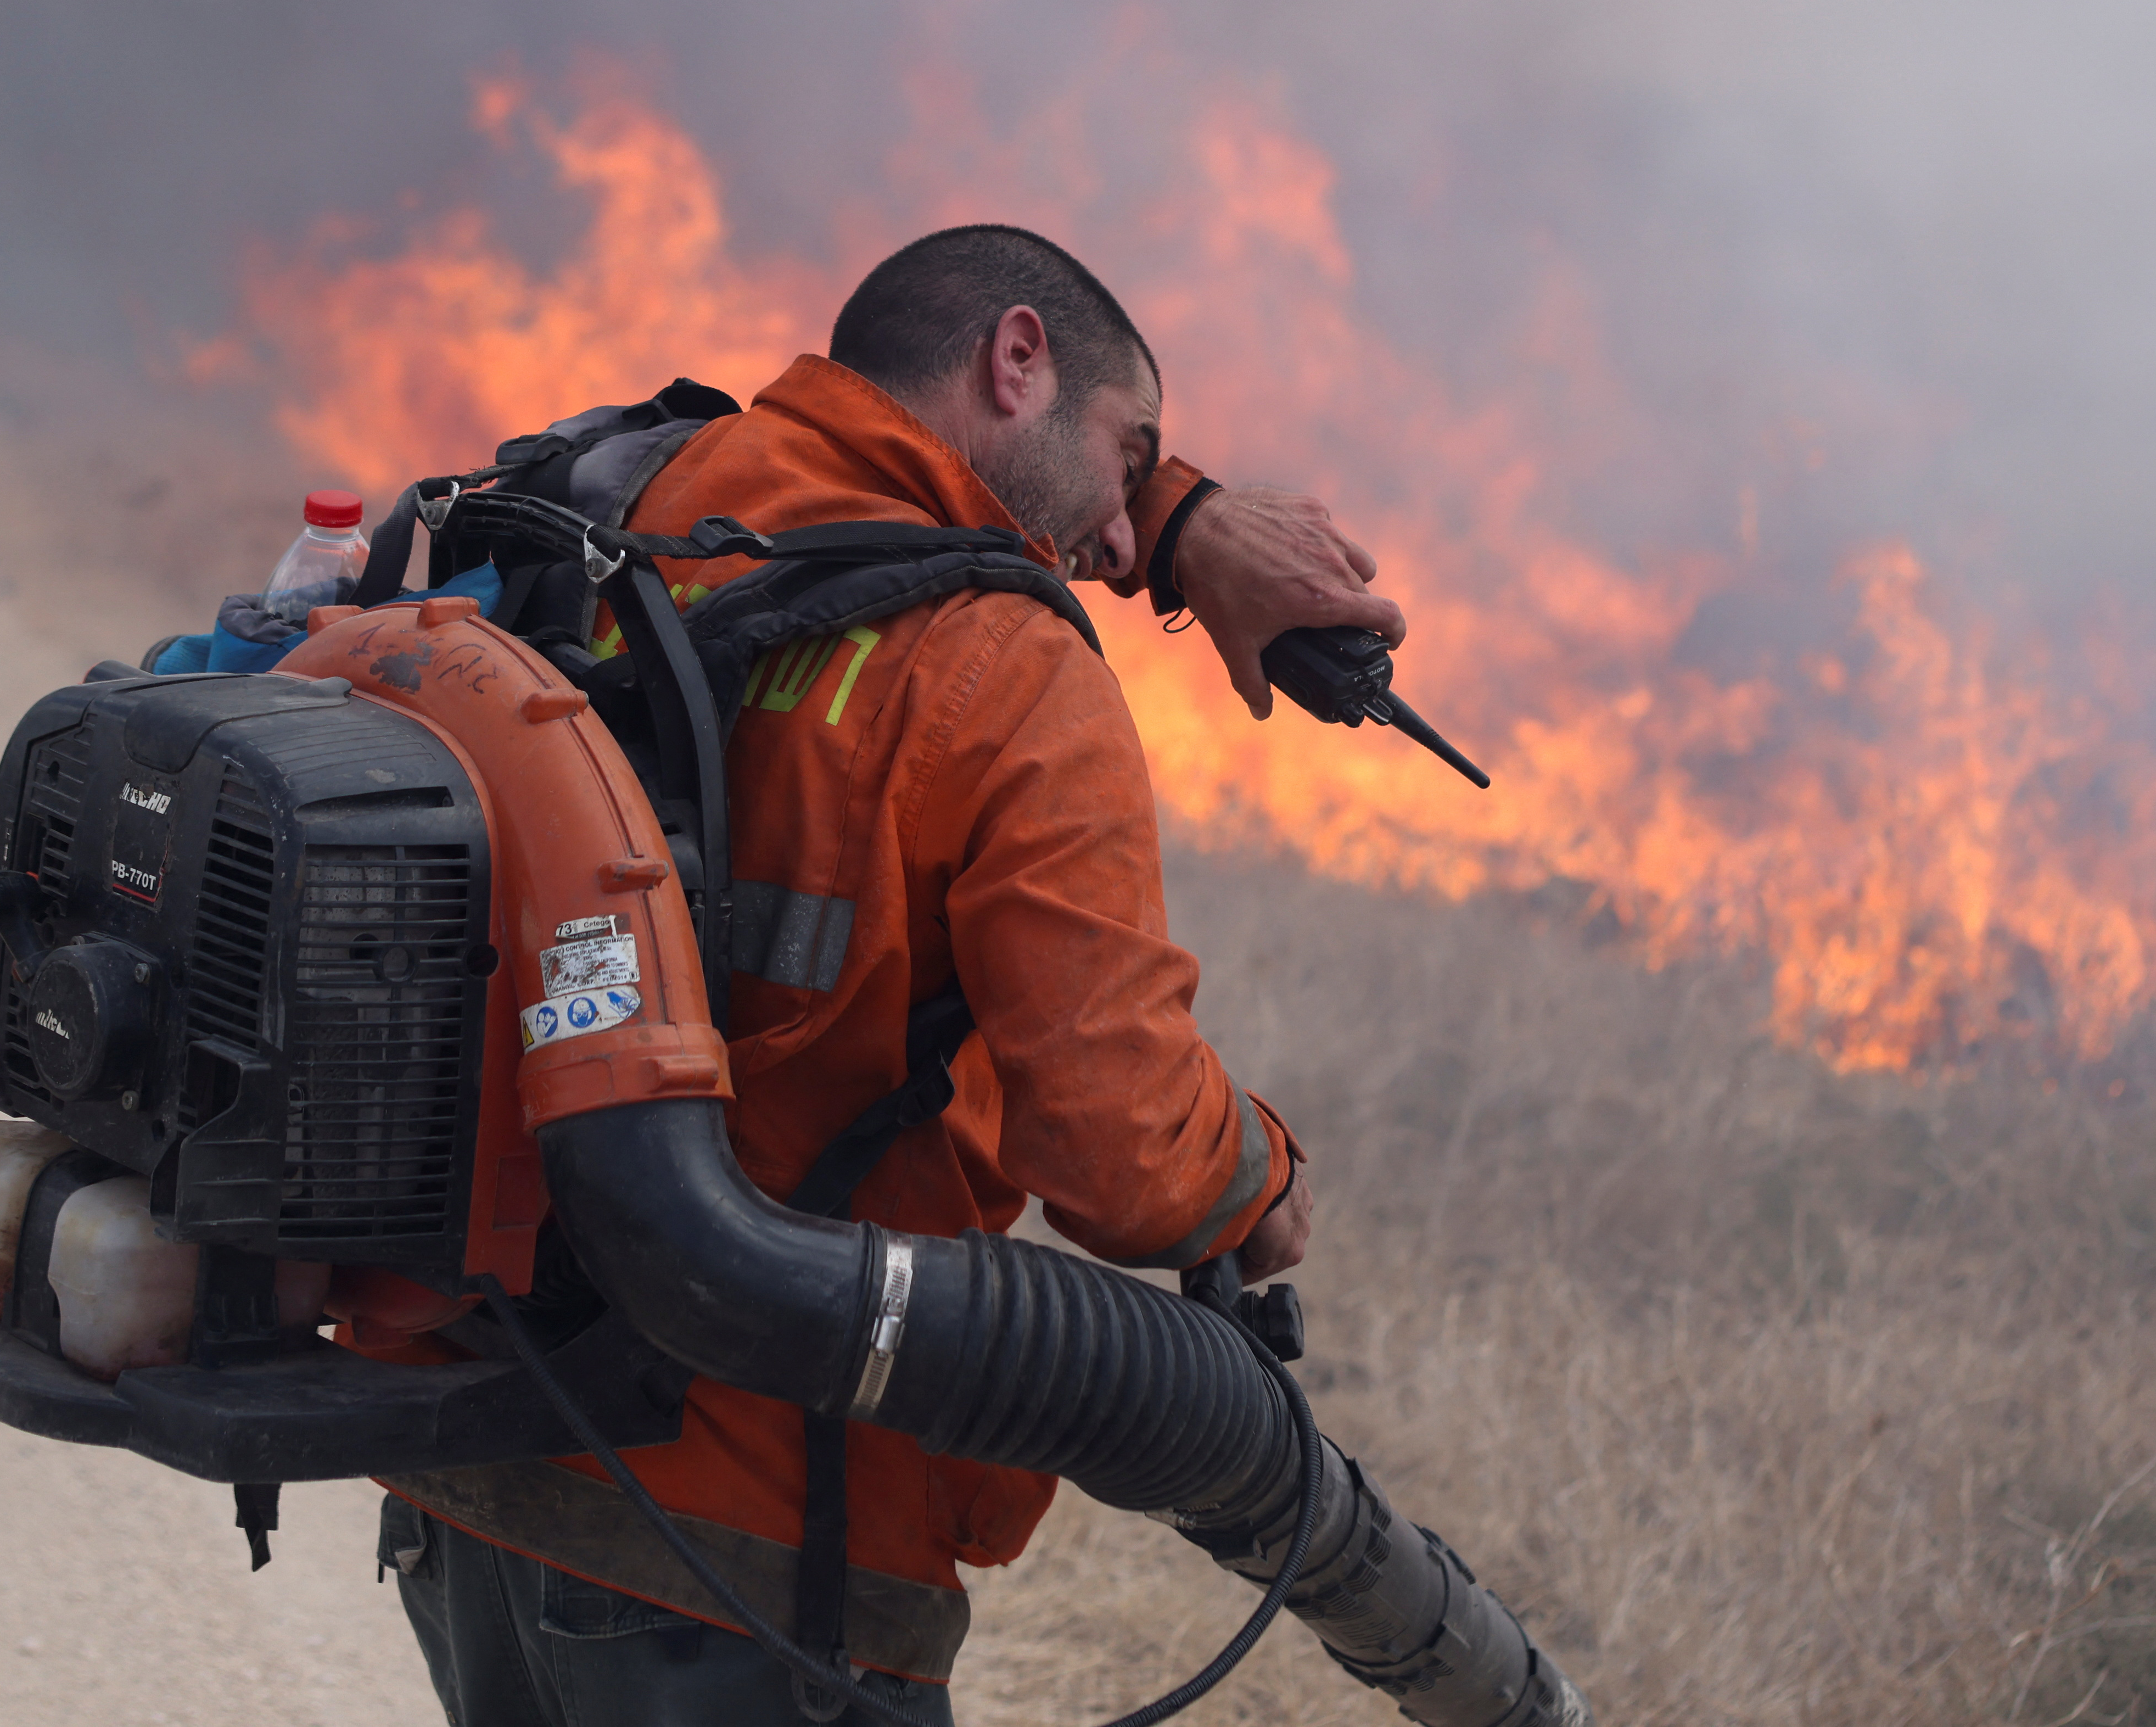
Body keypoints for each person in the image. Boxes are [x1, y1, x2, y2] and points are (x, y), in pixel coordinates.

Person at [379, 224, 1407, 1725]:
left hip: (474, 1473)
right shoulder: (1004, 670)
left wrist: (1178, 512)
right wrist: (1255, 1173)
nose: (1121, 548)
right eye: (1133, 462)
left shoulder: (620, 503)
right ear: (1013, 358)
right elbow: (1123, 1157)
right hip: (753, 1548)